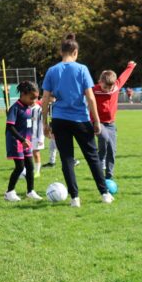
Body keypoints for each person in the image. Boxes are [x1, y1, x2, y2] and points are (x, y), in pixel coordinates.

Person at [41, 33, 111, 207]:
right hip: (80, 119)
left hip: (59, 120)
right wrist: (96, 121)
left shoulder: (52, 71)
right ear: (75, 52)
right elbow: (90, 97)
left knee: (67, 159)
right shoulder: (82, 69)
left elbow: (45, 99)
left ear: (61, 51)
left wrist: (44, 123)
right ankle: (104, 194)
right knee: (92, 157)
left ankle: (75, 199)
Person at [93, 60, 136, 180]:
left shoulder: (116, 87)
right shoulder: (94, 89)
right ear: (100, 82)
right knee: (104, 138)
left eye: (110, 87)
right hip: (98, 122)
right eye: (105, 87)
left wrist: (130, 66)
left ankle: (109, 176)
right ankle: (100, 163)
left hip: (111, 124)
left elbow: (124, 76)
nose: (108, 90)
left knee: (112, 149)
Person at [4, 81, 43, 202]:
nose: (34, 101)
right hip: (16, 142)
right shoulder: (15, 108)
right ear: (23, 94)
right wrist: (21, 139)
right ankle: (9, 192)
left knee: (30, 167)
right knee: (20, 167)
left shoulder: (28, 108)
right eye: (32, 98)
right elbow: (10, 127)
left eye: (36, 98)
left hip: (26, 142)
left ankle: (30, 191)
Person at [30, 97, 45, 176]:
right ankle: (28, 170)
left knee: (36, 153)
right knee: (26, 155)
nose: (32, 100)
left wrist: (41, 138)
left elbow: (41, 124)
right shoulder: (25, 108)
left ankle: (37, 171)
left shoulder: (39, 109)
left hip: (36, 136)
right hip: (26, 136)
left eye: (34, 99)